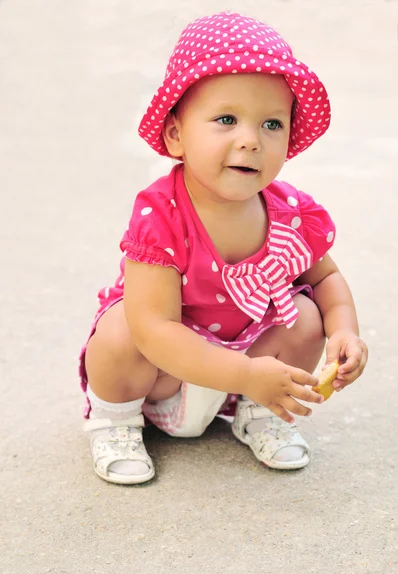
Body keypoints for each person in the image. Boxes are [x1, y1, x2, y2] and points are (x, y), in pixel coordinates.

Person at [79, 11, 368, 485]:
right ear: (176, 134)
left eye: (272, 124)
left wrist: (345, 333)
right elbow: (154, 328)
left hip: (251, 363)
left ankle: (260, 413)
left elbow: (326, 278)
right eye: (226, 119)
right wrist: (240, 372)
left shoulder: (291, 212)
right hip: (163, 371)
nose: (250, 141)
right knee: (121, 329)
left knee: (309, 314)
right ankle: (114, 421)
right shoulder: (162, 215)